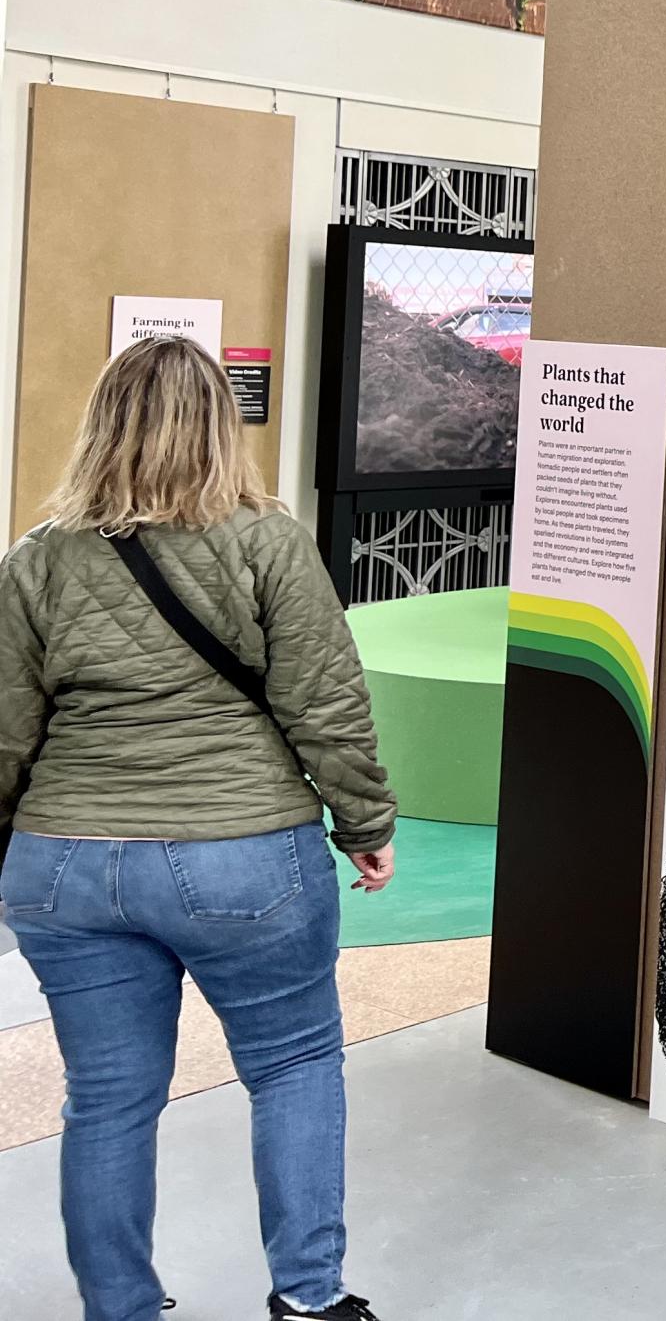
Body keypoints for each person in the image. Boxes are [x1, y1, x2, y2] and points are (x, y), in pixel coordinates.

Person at [0, 337, 396, 1321]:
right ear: (223, 426)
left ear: (104, 427)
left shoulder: (37, 560)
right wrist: (364, 821)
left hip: (67, 866)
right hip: (243, 859)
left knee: (106, 1100)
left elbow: (6, 733)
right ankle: (309, 1299)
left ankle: (121, 1308)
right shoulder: (269, 541)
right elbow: (326, 702)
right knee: (294, 1065)